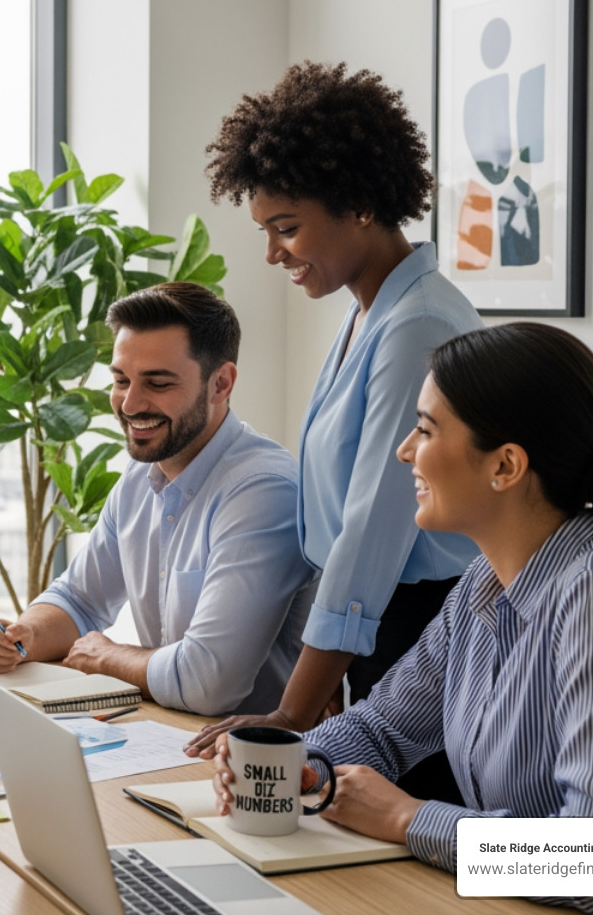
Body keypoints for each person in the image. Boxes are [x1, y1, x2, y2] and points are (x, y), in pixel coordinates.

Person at [208, 323, 593, 914]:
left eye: (425, 429)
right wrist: (281, 762)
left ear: (506, 466)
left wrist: (409, 817)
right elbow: (381, 731)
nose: (405, 450)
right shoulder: (483, 585)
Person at [188, 62, 482, 802]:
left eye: (286, 229)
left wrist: (293, 705)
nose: (273, 253)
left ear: (357, 203)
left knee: (414, 835)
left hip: (417, 625)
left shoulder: (415, 324)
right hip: (375, 634)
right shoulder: (370, 311)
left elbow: (370, 532)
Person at [0, 283, 317, 717]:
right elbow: (80, 600)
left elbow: (208, 682)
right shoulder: (141, 475)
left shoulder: (263, 491)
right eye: (121, 380)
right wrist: (20, 637)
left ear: (221, 384)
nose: (130, 404)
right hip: (166, 733)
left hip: (247, 759)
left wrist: (108, 657)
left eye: (157, 383)